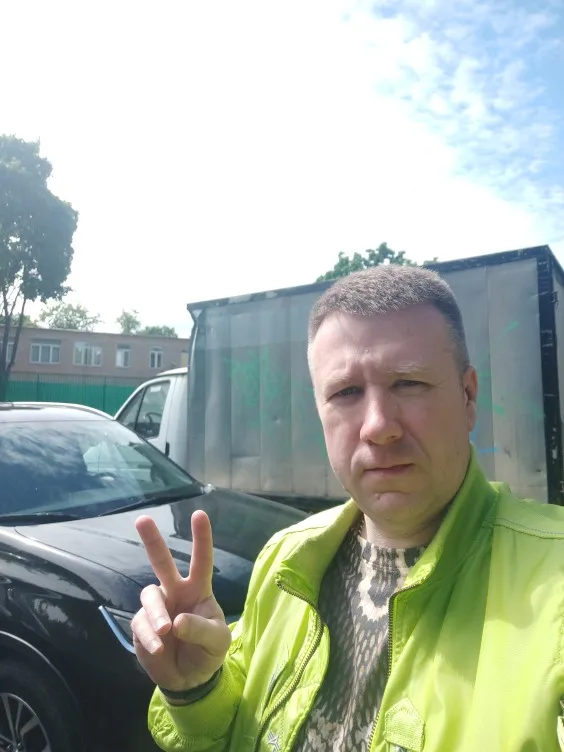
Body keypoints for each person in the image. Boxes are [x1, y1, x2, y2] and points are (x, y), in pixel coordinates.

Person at [132, 264, 564, 752]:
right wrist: (197, 689)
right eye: (346, 393)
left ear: (468, 397)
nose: (378, 426)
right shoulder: (285, 560)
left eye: (409, 382)